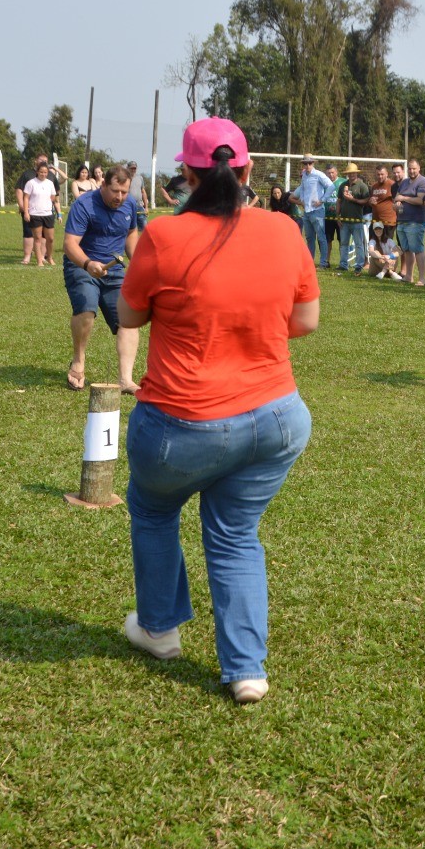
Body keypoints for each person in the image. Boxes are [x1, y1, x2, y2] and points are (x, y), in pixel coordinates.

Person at [115, 117, 318, 705]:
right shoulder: (284, 229)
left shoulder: (163, 235)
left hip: (182, 423)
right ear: (249, 169)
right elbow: (304, 322)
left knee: (153, 511)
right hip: (276, 418)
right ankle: (246, 669)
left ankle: (159, 629)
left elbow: (129, 318)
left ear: (185, 175)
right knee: (235, 536)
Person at [61, 165, 141, 392]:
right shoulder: (84, 205)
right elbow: (69, 244)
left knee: (129, 319)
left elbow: (131, 232)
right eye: (115, 191)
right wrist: (88, 264)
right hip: (82, 265)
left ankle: (125, 379)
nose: (120, 197)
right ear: (103, 184)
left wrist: (136, 261)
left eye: (124, 192)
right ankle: (78, 361)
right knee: (86, 310)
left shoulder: (130, 204)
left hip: (114, 269)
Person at [289, 154, 334, 267]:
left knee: (321, 238)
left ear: (313, 163)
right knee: (309, 238)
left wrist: (322, 200)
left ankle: (323, 263)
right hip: (307, 211)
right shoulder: (304, 175)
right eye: (305, 163)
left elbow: (331, 186)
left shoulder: (319, 174)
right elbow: (303, 189)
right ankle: (310, 262)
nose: (307, 165)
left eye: (309, 163)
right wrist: (303, 201)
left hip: (317, 210)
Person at [394, 159, 425, 286]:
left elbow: (421, 200)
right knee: (407, 250)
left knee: (418, 249)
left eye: (414, 169)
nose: (411, 171)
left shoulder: (423, 182)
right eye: (410, 168)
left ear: (419, 168)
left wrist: (404, 198)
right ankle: (408, 276)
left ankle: (422, 278)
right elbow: (396, 198)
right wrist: (397, 204)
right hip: (401, 221)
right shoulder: (404, 182)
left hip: (415, 222)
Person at [17, 155, 63, 257]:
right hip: (32, 212)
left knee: (46, 237)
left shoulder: (51, 177)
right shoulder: (28, 176)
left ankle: (43, 257)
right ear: (35, 161)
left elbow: (55, 197)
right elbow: (21, 191)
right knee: (30, 234)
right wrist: (22, 207)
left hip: (47, 213)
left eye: (46, 161)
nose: (44, 162)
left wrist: (58, 212)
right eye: (41, 160)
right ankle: (28, 256)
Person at [337, 163, 371, 272]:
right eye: (349, 173)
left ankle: (359, 265)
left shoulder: (362, 186)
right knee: (343, 244)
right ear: (347, 174)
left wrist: (353, 200)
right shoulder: (343, 185)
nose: (351, 175)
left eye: (353, 173)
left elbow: (366, 201)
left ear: (356, 173)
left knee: (358, 244)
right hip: (344, 221)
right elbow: (339, 201)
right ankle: (343, 264)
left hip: (357, 221)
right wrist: (338, 217)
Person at [126, 162, 147, 230]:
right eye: (131, 168)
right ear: (128, 168)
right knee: (129, 228)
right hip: (128, 206)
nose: (133, 170)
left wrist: (146, 207)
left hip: (139, 206)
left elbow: (143, 192)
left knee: (144, 227)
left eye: (134, 168)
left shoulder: (140, 178)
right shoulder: (125, 179)